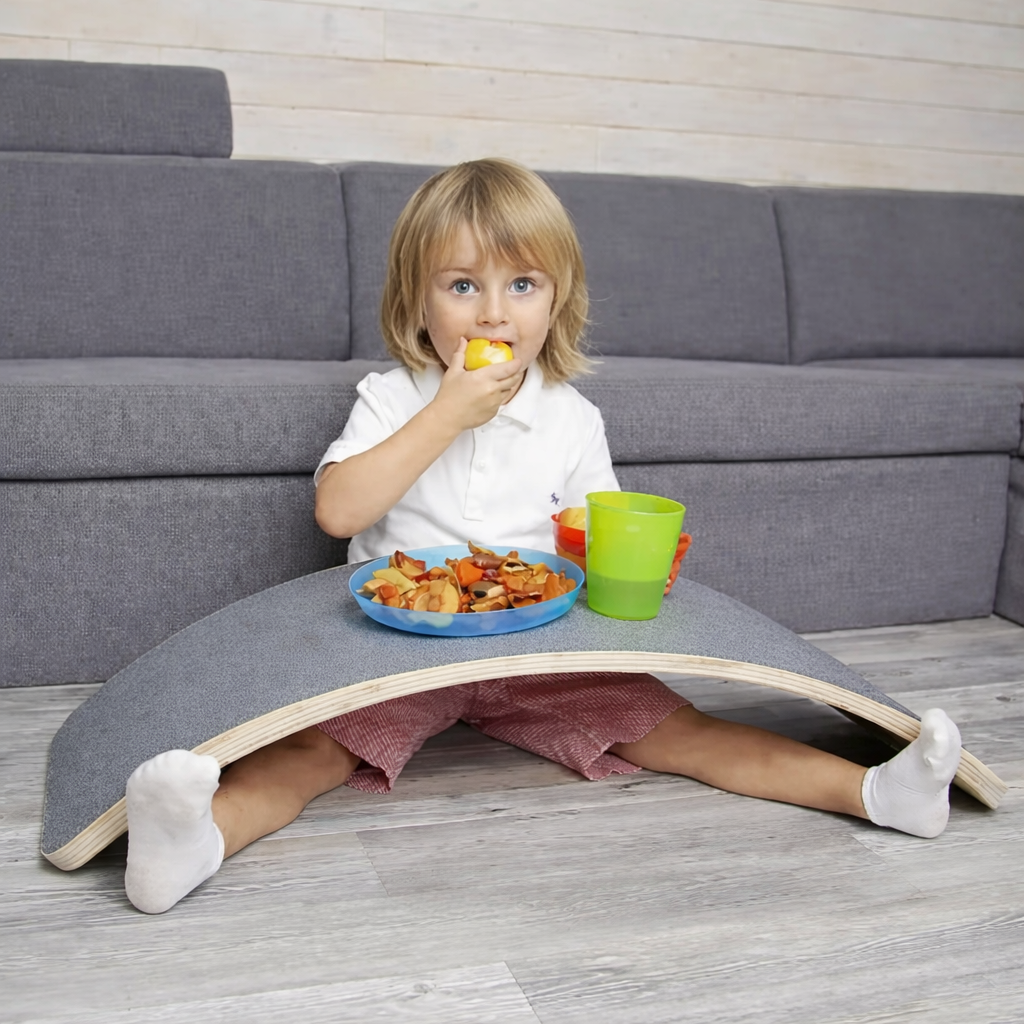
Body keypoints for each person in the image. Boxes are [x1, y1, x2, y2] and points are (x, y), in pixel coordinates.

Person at [123, 159, 962, 915]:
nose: (493, 311)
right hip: (397, 649)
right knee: (310, 751)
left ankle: (878, 794)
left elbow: (594, 534)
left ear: (557, 299)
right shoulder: (392, 395)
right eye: (462, 285)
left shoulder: (571, 416)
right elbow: (339, 513)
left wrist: (634, 564)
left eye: (522, 283)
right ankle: (197, 840)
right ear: (417, 300)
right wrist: (446, 413)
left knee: (682, 732)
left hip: (537, 649)